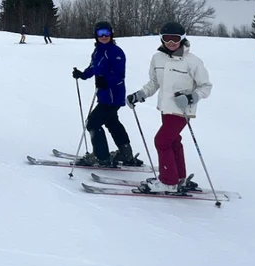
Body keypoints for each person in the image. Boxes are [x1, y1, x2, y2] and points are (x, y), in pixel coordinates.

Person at [127, 21, 212, 194]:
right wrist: (140, 94)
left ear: (182, 38)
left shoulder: (193, 61)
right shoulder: (158, 58)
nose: (171, 42)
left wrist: (191, 97)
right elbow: (154, 82)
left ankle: (168, 181)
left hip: (182, 111)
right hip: (165, 108)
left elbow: (205, 86)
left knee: (162, 141)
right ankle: (179, 177)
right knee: (173, 142)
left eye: (175, 38)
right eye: (167, 38)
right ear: (161, 39)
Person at [71, 21, 143, 167]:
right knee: (112, 122)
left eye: (107, 33)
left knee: (92, 123)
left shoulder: (116, 52)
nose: (104, 36)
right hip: (104, 95)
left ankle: (101, 156)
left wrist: (106, 81)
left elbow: (119, 74)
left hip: (113, 96)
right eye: (100, 33)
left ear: (111, 34)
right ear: (96, 35)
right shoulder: (98, 51)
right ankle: (126, 154)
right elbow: (93, 67)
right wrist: (82, 75)